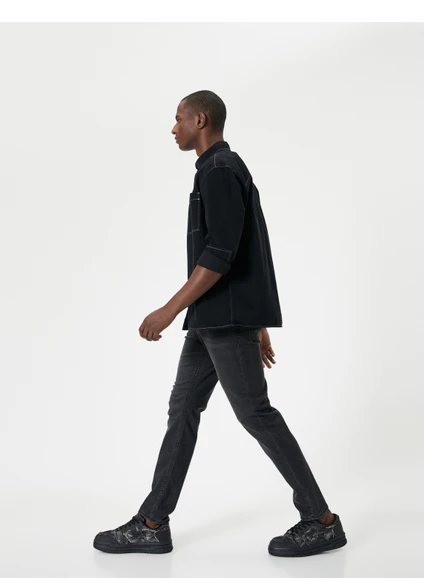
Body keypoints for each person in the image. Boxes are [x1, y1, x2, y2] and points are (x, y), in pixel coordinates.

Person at [93, 90, 347, 558]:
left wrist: (169, 310)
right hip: (213, 320)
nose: (173, 128)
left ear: (200, 120)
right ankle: (152, 523)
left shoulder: (220, 170)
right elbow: (245, 249)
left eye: (178, 119)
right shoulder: (215, 169)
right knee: (183, 410)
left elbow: (222, 254)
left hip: (224, 320)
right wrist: (257, 322)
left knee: (255, 414)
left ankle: (321, 520)